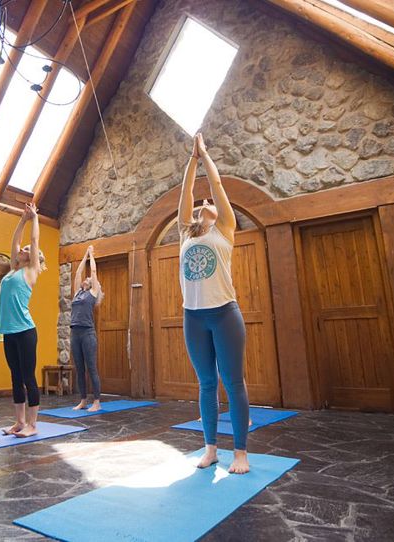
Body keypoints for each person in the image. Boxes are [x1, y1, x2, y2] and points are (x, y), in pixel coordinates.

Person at [177, 132, 251, 475]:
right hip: (193, 317)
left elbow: (217, 184)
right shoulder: (184, 232)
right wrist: (190, 160)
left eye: (208, 202)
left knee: (233, 383)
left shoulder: (224, 228)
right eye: (200, 202)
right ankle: (210, 450)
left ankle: (240, 453)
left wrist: (204, 153)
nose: (203, 201)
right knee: (207, 384)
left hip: (224, 314)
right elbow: (186, 193)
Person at [0, 203, 45, 438]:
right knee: (15, 377)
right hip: (9, 331)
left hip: (26, 331)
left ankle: (33, 425)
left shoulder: (31, 271)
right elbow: (15, 242)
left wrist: (35, 218)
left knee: (28, 376)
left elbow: (34, 242)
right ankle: (19, 422)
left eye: (28, 250)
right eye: (23, 250)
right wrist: (22, 220)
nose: (23, 250)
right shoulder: (12, 270)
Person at [70, 245, 103, 411]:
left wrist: (92, 255)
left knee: (91, 367)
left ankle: (96, 402)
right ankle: (83, 400)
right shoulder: (77, 293)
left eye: (88, 279)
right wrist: (84, 255)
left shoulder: (93, 293)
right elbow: (77, 273)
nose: (86, 278)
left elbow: (94, 272)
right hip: (74, 333)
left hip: (87, 333)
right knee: (79, 368)